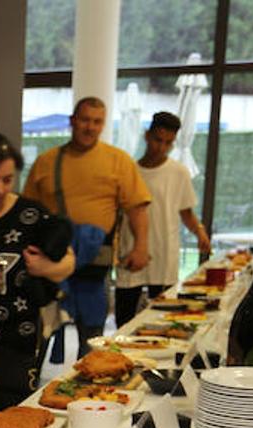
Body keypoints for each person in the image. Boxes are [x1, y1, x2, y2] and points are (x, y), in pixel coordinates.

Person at [22, 96, 151, 358]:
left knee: (92, 342)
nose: (90, 127)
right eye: (84, 120)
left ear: (103, 124)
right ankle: (31, 380)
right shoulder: (47, 161)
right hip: (52, 263)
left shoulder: (118, 160)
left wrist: (141, 247)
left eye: (97, 122)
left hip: (96, 263)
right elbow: (28, 214)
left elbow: (137, 209)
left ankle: (88, 380)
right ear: (72, 121)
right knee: (41, 336)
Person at [0, 134, 76, 410]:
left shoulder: (30, 214)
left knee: (13, 418)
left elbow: (69, 261)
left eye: (8, 180)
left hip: (19, 340)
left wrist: (47, 267)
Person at [114, 111, 211, 326]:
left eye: (168, 143)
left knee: (163, 322)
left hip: (164, 256)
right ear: (147, 136)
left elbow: (186, 211)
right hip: (131, 254)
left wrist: (200, 232)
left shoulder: (178, 172)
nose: (161, 147)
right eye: (158, 140)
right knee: (125, 320)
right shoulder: (129, 172)